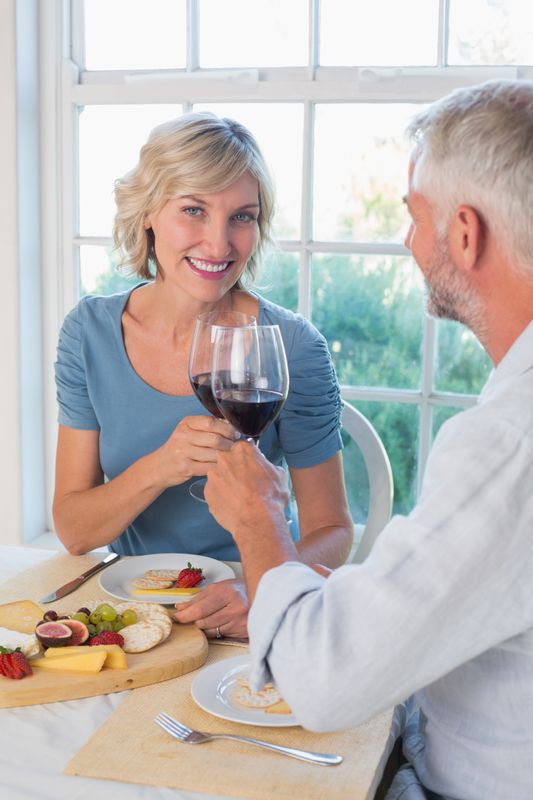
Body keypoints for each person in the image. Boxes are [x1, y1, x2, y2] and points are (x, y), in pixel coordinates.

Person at [204, 79, 533, 799]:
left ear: (466, 233)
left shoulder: (507, 443)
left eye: (414, 216)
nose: (406, 239)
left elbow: (321, 687)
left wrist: (260, 523)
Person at [53, 111, 353, 640]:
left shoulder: (293, 347)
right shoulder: (88, 334)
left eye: (242, 216)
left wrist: (261, 589)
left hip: (251, 615)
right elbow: (75, 532)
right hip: (137, 612)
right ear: (148, 213)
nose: (219, 245)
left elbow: (333, 530)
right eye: (194, 210)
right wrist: (162, 466)